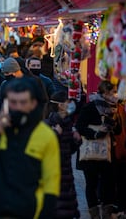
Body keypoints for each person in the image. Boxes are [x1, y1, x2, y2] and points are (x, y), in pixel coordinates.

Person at [0, 77, 60, 218]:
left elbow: (51, 183)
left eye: (23, 102)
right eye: (13, 102)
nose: (17, 107)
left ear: (33, 104)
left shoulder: (46, 136)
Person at [75, 81, 121, 219]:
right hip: (91, 152)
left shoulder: (115, 109)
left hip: (107, 152)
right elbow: (80, 126)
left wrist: (113, 125)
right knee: (91, 183)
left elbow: (118, 131)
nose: (114, 95)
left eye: (115, 92)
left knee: (108, 182)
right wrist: (95, 133)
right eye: (112, 92)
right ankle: (94, 213)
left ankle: (107, 211)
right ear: (104, 94)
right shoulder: (90, 107)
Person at [45, 91, 81, 219]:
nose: (71, 105)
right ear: (60, 105)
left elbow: (69, 149)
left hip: (67, 176)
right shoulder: (49, 124)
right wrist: (55, 134)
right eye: (68, 102)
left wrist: (76, 140)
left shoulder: (67, 123)